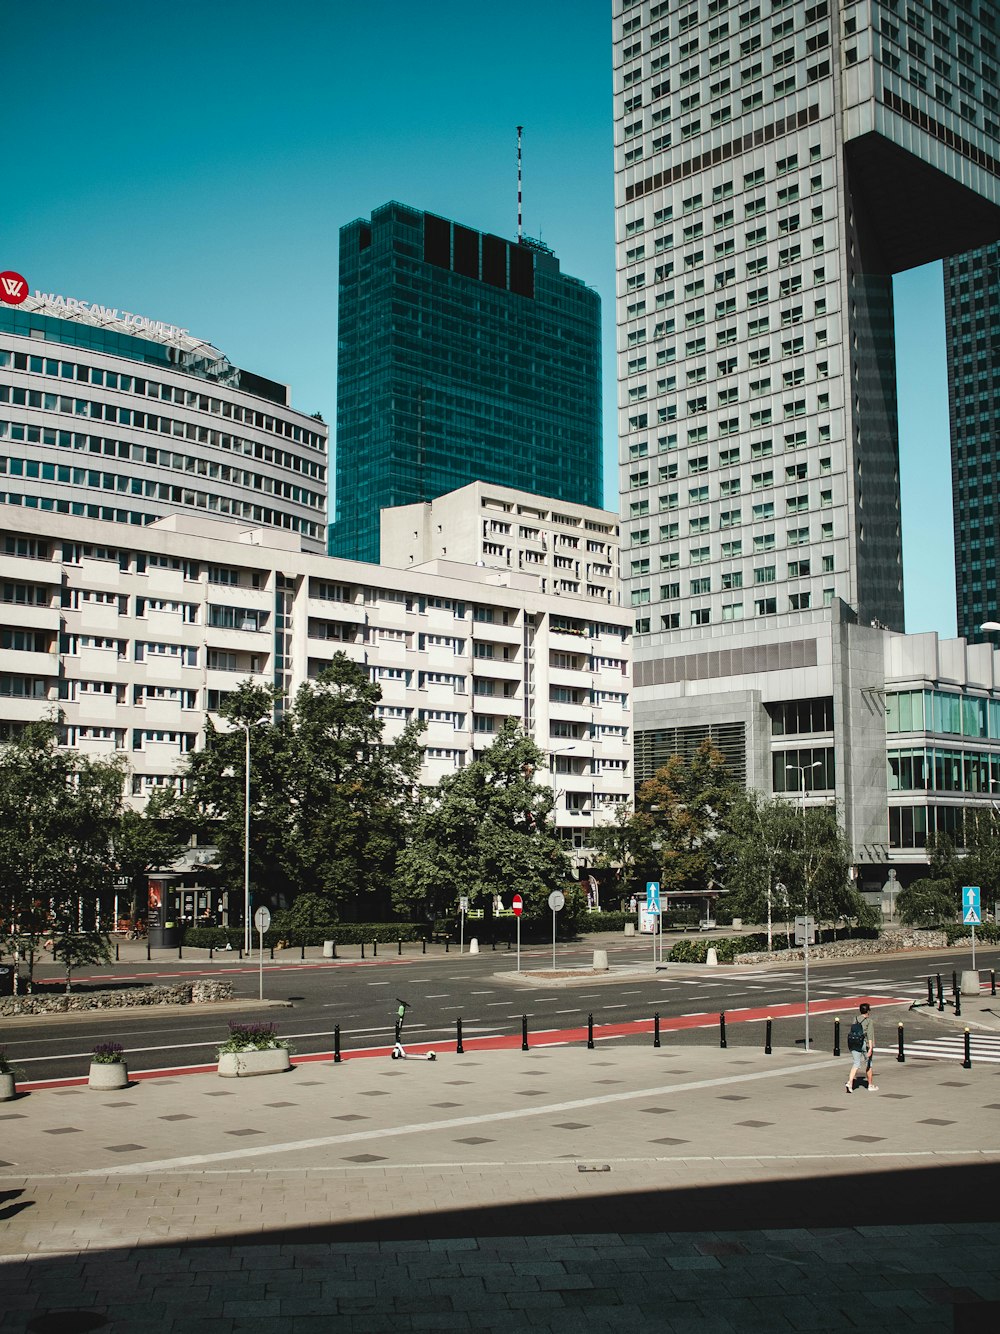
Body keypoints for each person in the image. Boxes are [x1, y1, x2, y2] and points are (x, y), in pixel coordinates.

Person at [846, 1001, 877, 1093]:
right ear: (868, 1011)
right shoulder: (869, 1021)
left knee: (856, 1063)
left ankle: (850, 1082)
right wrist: (870, 1048)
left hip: (854, 1043)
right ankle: (870, 1085)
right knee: (869, 1064)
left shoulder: (855, 1019)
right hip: (864, 1043)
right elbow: (870, 1035)